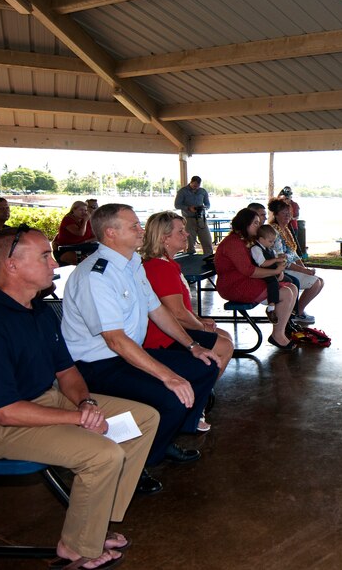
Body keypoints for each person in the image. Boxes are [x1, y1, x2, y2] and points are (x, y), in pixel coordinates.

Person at [0, 225, 159, 570]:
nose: (54, 264)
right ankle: (79, 547)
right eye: (45, 256)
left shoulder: (39, 310)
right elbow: (6, 412)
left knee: (144, 418)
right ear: (12, 266)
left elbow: (66, 372)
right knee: (103, 454)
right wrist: (79, 418)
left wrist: (86, 404)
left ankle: (93, 523)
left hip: (44, 400)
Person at [61, 203, 220, 486]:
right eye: (134, 226)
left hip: (125, 354)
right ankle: (135, 466)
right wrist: (168, 376)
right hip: (96, 365)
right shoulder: (95, 276)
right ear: (110, 233)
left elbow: (157, 309)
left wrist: (192, 345)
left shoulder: (132, 263)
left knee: (205, 365)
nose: (141, 230)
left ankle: (162, 439)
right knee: (171, 398)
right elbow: (115, 340)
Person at [139, 211, 235, 432]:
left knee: (223, 337)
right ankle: (194, 405)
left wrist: (201, 320)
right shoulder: (159, 267)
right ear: (164, 238)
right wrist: (201, 326)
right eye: (180, 231)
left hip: (173, 330)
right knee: (223, 345)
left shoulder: (166, 264)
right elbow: (177, 313)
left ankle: (201, 391)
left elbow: (181, 310)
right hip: (163, 337)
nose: (187, 234)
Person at [215, 208, 298, 349]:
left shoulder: (246, 240)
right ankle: (278, 335)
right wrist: (275, 272)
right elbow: (249, 270)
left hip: (245, 280)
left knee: (293, 287)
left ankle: (280, 330)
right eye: (255, 223)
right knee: (286, 292)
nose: (258, 226)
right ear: (245, 224)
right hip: (234, 286)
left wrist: (277, 267)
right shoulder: (233, 243)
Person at [268, 198, 323, 324]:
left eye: (289, 213)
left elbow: (294, 254)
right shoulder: (274, 231)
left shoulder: (286, 229)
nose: (287, 216)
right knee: (315, 283)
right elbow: (283, 260)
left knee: (320, 281)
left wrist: (305, 269)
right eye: (284, 213)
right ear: (276, 215)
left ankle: (298, 310)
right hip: (282, 270)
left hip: (291, 267)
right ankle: (297, 312)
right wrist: (304, 270)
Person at [251, 224, 286, 324]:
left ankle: (289, 308)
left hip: (271, 271)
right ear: (261, 239)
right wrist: (276, 259)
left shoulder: (269, 249)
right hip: (262, 273)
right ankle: (271, 308)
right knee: (273, 282)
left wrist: (280, 259)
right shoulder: (256, 249)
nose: (272, 243)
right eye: (270, 241)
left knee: (290, 280)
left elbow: (274, 260)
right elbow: (262, 263)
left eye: (273, 241)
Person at [174, 175, 213, 255]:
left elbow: (208, 204)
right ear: (191, 182)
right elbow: (177, 205)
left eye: (198, 186)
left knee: (207, 240)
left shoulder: (202, 191)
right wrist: (188, 208)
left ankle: (209, 257)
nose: (196, 187)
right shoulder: (182, 191)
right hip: (188, 219)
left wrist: (204, 208)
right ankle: (190, 258)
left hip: (201, 218)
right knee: (190, 242)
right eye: (194, 185)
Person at [53, 200, 97, 265]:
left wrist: (86, 241)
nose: (84, 213)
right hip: (67, 249)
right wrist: (85, 221)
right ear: (74, 210)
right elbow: (80, 233)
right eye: (81, 210)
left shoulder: (87, 220)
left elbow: (96, 237)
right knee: (85, 262)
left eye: (85, 210)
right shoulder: (68, 219)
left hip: (83, 247)